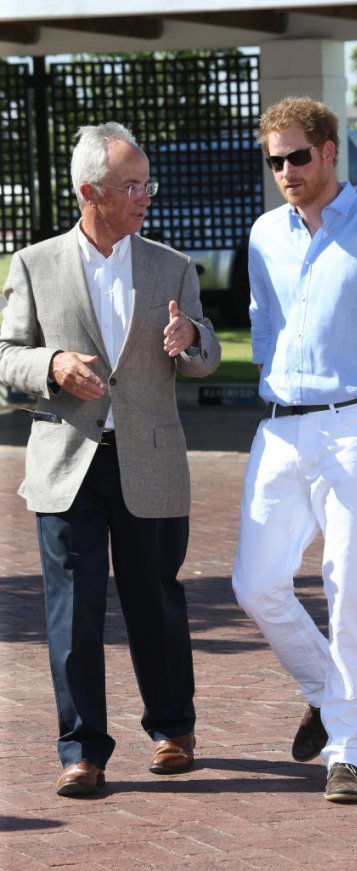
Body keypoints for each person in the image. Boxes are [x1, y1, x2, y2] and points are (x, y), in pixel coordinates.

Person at [0, 122, 221, 797]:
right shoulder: (34, 264)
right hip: (68, 463)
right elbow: (6, 359)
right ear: (89, 191)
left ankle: (172, 729)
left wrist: (189, 337)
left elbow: (209, 354)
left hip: (149, 460)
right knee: (74, 609)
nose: (144, 195)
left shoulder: (171, 265)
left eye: (146, 183)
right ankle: (83, 750)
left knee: (154, 599)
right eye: (131, 185)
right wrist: (54, 365)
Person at [232, 97, 357, 803]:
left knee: (350, 587)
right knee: (253, 583)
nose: (285, 171)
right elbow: (266, 330)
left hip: (355, 426)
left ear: (327, 153)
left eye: (296, 156)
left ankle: (346, 748)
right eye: (275, 161)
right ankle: (325, 688)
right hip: (279, 426)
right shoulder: (264, 236)